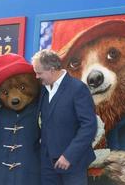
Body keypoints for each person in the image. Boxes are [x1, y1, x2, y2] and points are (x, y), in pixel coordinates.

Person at [31, 49, 97, 185]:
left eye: (39, 73)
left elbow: (89, 127)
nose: (37, 77)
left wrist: (69, 156)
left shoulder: (78, 89)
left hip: (72, 164)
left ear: (52, 69)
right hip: (47, 164)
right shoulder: (43, 89)